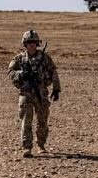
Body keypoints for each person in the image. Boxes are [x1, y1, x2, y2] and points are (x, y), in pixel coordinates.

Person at [8, 30, 61, 158]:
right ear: (25, 44)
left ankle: (41, 145)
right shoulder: (19, 58)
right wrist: (21, 74)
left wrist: (56, 89)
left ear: (37, 44)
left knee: (42, 120)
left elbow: (53, 72)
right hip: (26, 94)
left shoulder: (45, 58)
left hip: (41, 94)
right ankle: (27, 147)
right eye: (29, 42)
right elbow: (10, 72)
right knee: (26, 120)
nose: (32, 45)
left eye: (34, 42)